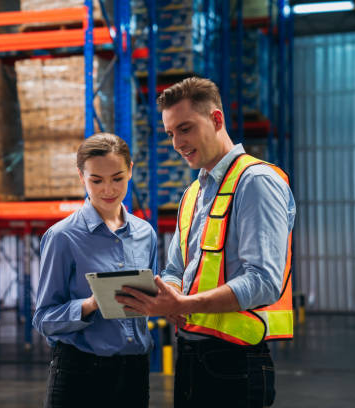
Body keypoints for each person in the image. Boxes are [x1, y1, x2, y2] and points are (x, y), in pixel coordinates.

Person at [116, 76, 296, 407]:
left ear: (216, 120)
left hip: (236, 362)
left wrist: (185, 305)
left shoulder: (256, 182)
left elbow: (264, 280)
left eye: (185, 128)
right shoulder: (194, 193)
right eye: (170, 133)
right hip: (191, 354)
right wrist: (168, 293)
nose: (176, 143)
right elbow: (175, 267)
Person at [33, 132, 158, 408]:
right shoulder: (63, 237)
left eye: (117, 178)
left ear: (130, 171)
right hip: (80, 373)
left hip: (134, 373)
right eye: (96, 181)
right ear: (81, 177)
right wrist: (89, 305)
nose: (108, 190)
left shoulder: (145, 234)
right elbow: (43, 319)